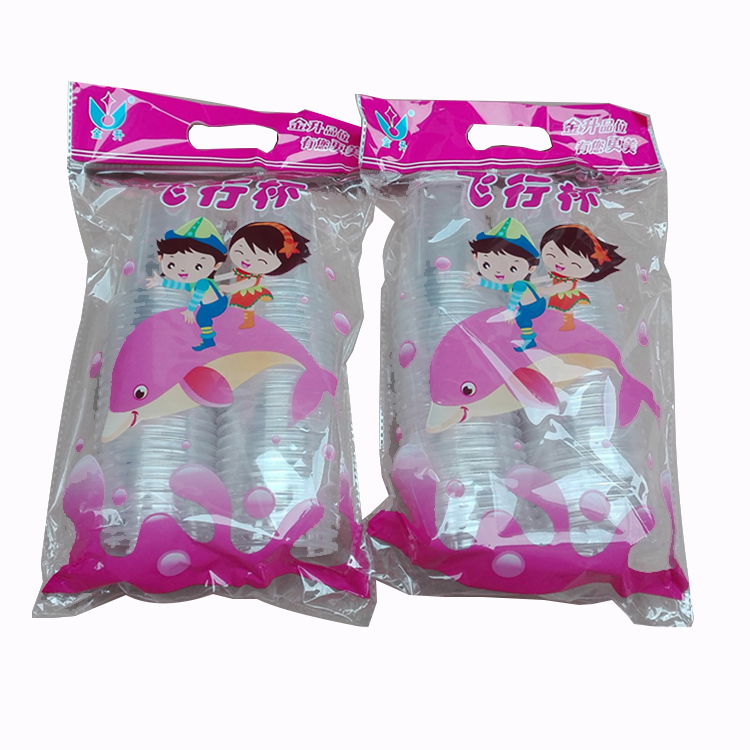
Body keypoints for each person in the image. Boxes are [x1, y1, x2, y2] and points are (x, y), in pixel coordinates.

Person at [146, 217, 228, 351]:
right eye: (172, 264)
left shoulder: (202, 282)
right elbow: (181, 286)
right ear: (161, 258)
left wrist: (190, 310)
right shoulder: (193, 281)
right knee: (200, 318)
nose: (183, 270)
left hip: (216, 305)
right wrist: (162, 281)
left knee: (202, 317)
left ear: (216, 265)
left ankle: (209, 341)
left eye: (198, 266)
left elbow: (197, 296)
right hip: (209, 304)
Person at [465, 218, 546, 352]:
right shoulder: (511, 283)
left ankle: (529, 340)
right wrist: (479, 282)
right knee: (517, 319)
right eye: (487, 264)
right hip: (525, 305)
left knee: (522, 319)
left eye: (513, 268)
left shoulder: (519, 284)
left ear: (531, 268)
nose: (498, 272)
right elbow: (499, 286)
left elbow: (515, 296)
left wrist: (510, 310)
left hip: (535, 306)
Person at [216, 222, 310, 329]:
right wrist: (216, 278)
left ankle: (248, 322)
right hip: (240, 292)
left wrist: (231, 288)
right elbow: (233, 273)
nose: (247, 259)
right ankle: (239, 321)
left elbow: (249, 282)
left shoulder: (254, 275)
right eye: (240, 251)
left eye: (261, 260)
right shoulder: (242, 270)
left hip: (250, 292)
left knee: (249, 306)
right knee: (240, 306)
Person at [536, 224, 625, 331]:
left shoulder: (569, 281)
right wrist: (534, 281)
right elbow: (548, 278)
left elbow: (563, 286)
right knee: (560, 311)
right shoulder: (556, 274)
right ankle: (560, 324)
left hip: (567, 296)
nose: (560, 263)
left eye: (574, 264)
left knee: (567, 310)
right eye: (552, 255)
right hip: (559, 297)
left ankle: (568, 324)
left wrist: (545, 290)